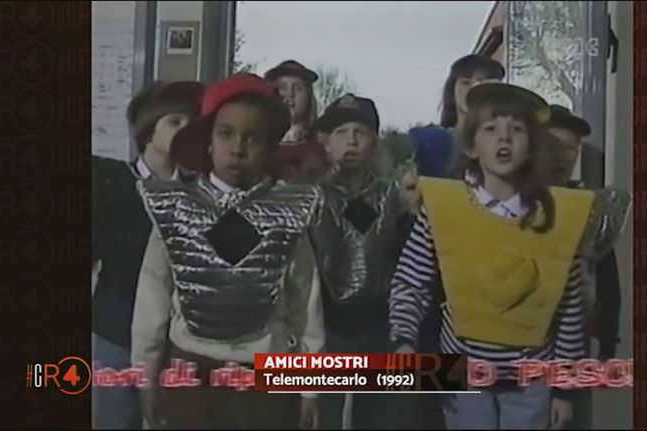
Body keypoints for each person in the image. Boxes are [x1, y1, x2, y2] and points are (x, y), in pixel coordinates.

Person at [388, 82, 631, 429]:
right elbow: (411, 281)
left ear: (531, 147)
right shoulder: (443, 208)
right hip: (462, 373)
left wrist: (563, 388)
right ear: (471, 146)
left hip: (531, 378)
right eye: (490, 129)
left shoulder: (561, 217)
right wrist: (404, 340)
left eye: (516, 129)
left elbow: (568, 308)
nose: (504, 137)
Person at [131, 73, 324, 429]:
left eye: (253, 138)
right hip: (189, 374)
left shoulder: (288, 214)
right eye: (226, 134)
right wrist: (146, 376)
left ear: (270, 148)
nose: (238, 147)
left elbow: (305, 308)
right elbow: (152, 298)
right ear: (208, 142)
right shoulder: (177, 209)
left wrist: (309, 389)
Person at [91, 80, 204, 430]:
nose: (185, 131)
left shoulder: (199, 194)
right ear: (147, 129)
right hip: (118, 330)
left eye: (192, 124)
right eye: (174, 121)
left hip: (178, 340)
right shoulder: (111, 182)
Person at [308, 94, 412, 429]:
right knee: (327, 412)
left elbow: (405, 258)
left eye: (361, 132)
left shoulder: (392, 197)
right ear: (325, 143)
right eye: (341, 132)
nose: (351, 141)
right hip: (328, 325)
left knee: (375, 413)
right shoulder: (312, 197)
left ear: (374, 143)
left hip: (378, 323)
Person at [542, 104, 622, 360]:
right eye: (553, 145)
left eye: (571, 147)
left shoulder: (589, 209)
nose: (563, 156)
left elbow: (609, 284)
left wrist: (607, 345)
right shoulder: (510, 202)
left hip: (574, 346)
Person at [409, 54, 505, 179]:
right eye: (466, 82)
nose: (474, 88)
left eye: (483, 83)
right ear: (452, 93)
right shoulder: (425, 141)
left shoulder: (510, 144)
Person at [264, 60, 328, 182]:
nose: (290, 94)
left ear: (309, 97)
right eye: (282, 88)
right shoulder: (260, 142)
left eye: (298, 88)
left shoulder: (322, 145)